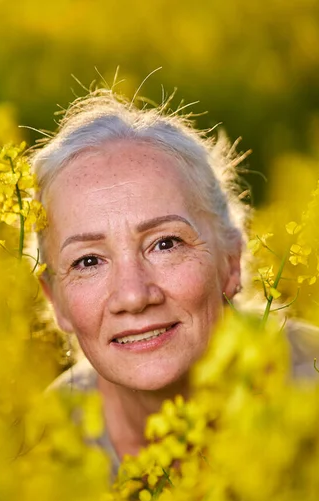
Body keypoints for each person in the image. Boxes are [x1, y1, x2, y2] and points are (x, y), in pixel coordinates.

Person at [31, 90, 251, 472]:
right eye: (87, 261)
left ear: (231, 263)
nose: (134, 296)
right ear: (56, 302)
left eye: (165, 244)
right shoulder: (38, 456)